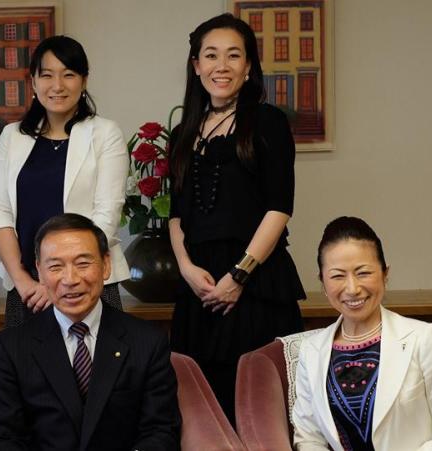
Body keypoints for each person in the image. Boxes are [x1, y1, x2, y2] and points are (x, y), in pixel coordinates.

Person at [168, 13, 306, 422]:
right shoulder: (182, 132)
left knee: (260, 411)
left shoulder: (268, 122)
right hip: (198, 289)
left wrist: (239, 275)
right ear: (196, 66)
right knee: (199, 413)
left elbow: (279, 207)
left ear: (248, 66)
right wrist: (187, 269)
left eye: (233, 55)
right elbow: (176, 215)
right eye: (210, 55)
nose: (221, 66)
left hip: (255, 284)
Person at [0, 213, 180, 450]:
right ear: (40, 271)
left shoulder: (147, 341)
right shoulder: (11, 347)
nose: (70, 279)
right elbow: (1, 437)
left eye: (83, 263)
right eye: (55, 266)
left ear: (106, 265)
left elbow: (160, 431)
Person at [0, 35, 129, 327]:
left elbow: (106, 218)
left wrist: (61, 280)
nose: (57, 85)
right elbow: (0, 215)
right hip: (28, 292)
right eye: (46, 75)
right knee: (26, 371)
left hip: (88, 286)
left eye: (68, 75)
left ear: (84, 81)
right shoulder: (12, 136)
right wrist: (23, 281)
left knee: (99, 371)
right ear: (33, 82)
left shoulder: (105, 133)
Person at [292, 216, 432, 450]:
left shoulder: (423, 338)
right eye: (338, 276)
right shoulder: (311, 350)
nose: (352, 288)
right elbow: (309, 437)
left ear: (385, 273)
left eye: (363, 273)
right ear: (323, 283)